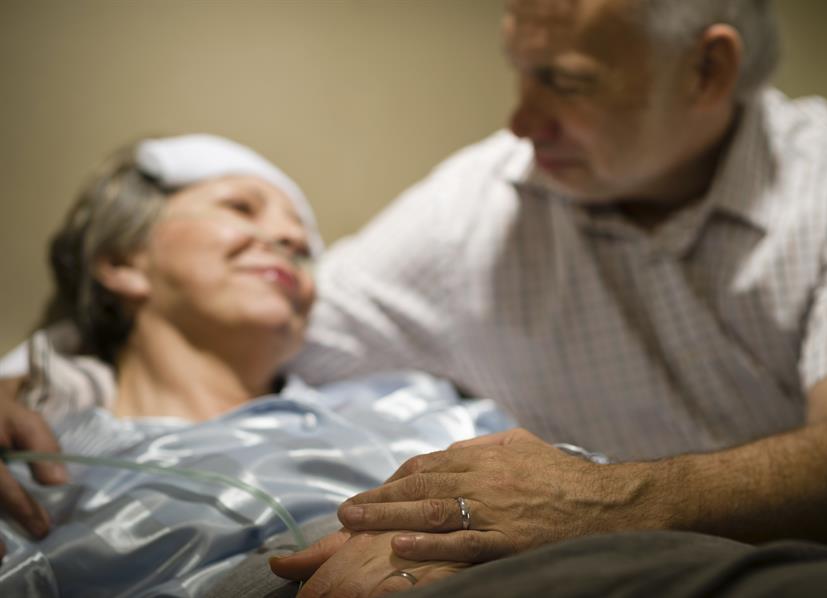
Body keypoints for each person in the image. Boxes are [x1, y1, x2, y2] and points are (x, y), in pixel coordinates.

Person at [1, 0, 827, 594]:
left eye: (569, 82)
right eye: (522, 67)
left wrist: (577, 506)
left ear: (707, 73)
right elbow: (215, 341)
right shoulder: (480, 208)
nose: (519, 120)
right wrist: (25, 386)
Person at [0, 134, 514, 596]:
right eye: (241, 208)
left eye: (303, 246)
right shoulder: (43, 468)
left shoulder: (419, 407)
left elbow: (563, 492)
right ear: (121, 262)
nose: (289, 240)